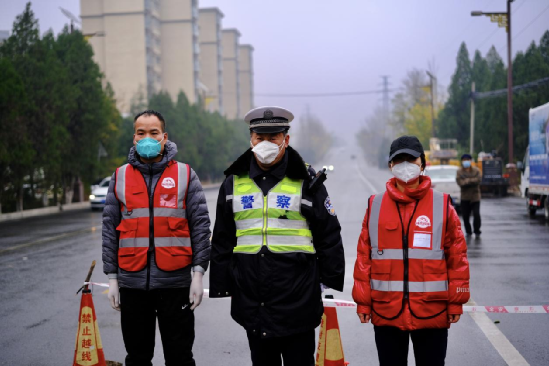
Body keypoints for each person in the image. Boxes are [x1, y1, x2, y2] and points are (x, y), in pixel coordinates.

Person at [210, 106, 345, 366]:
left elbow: (329, 233)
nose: (265, 144)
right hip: (252, 298)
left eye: (273, 138)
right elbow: (223, 238)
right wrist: (222, 284)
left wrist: (327, 280)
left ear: (286, 139)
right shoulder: (233, 181)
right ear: (250, 139)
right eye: (260, 138)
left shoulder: (308, 179)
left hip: (298, 297)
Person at [102, 109, 211, 366]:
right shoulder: (120, 177)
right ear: (134, 137)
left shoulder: (185, 174)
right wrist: (112, 278)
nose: (147, 138)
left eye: (153, 132)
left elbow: (200, 226)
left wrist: (198, 274)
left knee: (180, 357)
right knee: (137, 357)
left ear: (164, 136)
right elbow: (109, 229)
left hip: (175, 284)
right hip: (132, 284)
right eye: (141, 133)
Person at [352, 136, 470, 366]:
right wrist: (363, 302)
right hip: (387, 312)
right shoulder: (375, 205)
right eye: (399, 160)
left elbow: (457, 257)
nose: (405, 165)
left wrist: (456, 301)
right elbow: (364, 257)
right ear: (390, 165)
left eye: (411, 159)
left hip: (432, 311)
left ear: (422, 164)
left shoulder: (442, 204)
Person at [456, 153, 482, 237]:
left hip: (475, 196)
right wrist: (471, 181)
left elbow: (478, 180)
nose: (466, 161)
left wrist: (467, 180)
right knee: (465, 216)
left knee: (476, 214)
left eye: (468, 160)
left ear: (470, 161)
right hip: (465, 197)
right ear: (462, 161)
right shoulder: (459, 171)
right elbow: (460, 182)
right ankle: (468, 231)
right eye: (464, 160)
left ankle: (477, 230)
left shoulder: (476, 170)